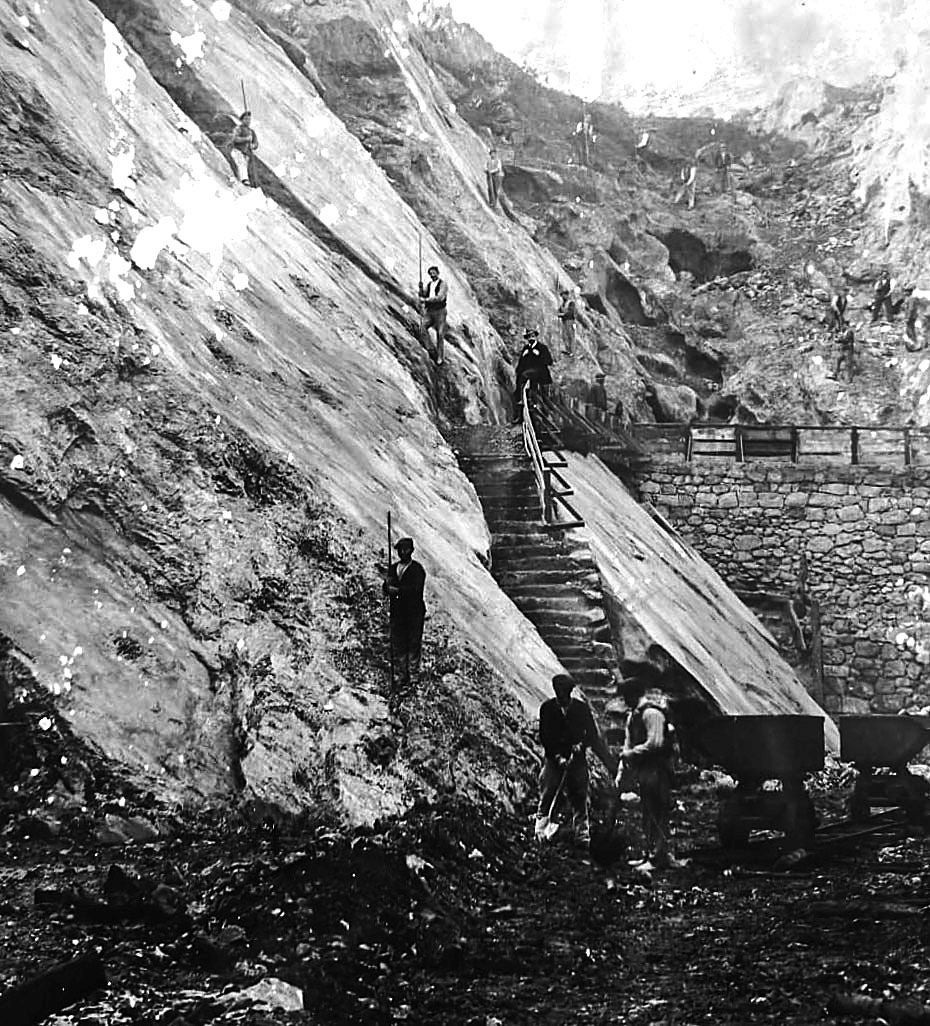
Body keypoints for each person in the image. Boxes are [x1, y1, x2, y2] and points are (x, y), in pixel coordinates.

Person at [615, 648, 687, 873]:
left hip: (657, 768)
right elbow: (628, 741)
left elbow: (655, 743)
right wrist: (622, 767)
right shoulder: (634, 715)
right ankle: (652, 853)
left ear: (634, 695)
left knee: (658, 809)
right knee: (647, 810)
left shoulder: (651, 714)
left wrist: (631, 754)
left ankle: (658, 857)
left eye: (626, 697)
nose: (624, 701)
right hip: (645, 769)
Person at [535, 674, 616, 849]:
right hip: (553, 760)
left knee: (579, 796)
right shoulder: (547, 708)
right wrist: (557, 757)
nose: (561, 696)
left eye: (564, 693)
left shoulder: (580, 709)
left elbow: (592, 735)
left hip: (577, 760)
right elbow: (545, 736)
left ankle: (582, 836)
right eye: (558, 692)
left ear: (570, 692)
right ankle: (541, 832)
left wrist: (581, 745)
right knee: (548, 793)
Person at [382, 537, 426, 691]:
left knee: (413, 643)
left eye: (406, 549)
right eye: (400, 550)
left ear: (412, 551)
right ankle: (402, 675)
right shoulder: (393, 569)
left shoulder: (417, 570)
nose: (403, 552)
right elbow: (386, 588)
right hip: (398, 614)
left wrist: (398, 591)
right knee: (400, 644)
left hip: (414, 613)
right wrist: (387, 586)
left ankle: (413, 677)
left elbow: (415, 590)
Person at [512, 328, 553, 422]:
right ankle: (522, 413)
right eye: (529, 337)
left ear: (536, 337)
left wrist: (538, 354)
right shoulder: (526, 349)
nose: (531, 338)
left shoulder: (542, 347)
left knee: (545, 397)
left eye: (533, 336)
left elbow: (549, 361)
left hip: (541, 375)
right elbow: (521, 365)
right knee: (522, 382)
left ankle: (546, 417)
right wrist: (524, 356)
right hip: (530, 376)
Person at [418, 265, 447, 365]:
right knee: (422, 327)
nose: (432, 274)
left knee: (440, 334)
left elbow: (440, 297)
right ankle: (431, 349)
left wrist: (426, 300)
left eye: (434, 272)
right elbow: (423, 295)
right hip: (430, 311)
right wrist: (421, 289)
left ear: (438, 273)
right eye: (430, 273)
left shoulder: (443, 284)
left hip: (440, 312)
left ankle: (440, 357)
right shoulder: (429, 284)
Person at [223, 111, 259, 187]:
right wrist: (246, 139)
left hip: (246, 154)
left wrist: (252, 146)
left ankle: (241, 181)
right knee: (241, 164)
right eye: (246, 119)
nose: (248, 121)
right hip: (237, 151)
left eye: (249, 119)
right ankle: (244, 180)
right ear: (242, 120)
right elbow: (235, 139)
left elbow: (256, 143)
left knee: (243, 167)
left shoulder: (251, 132)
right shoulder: (238, 129)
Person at [557, 289, 577, 354]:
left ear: (567, 295)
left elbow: (570, 313)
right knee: (564, 336)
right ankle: (568, 350)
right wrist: (558, 313)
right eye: (562, 296)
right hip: (564, 322)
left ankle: (572, 352)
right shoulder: (562, 304)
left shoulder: (571, 303)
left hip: (570, 321)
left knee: (570, 336)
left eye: (563, 295)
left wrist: (562, 315)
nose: (562, 297)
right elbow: (558, 311)